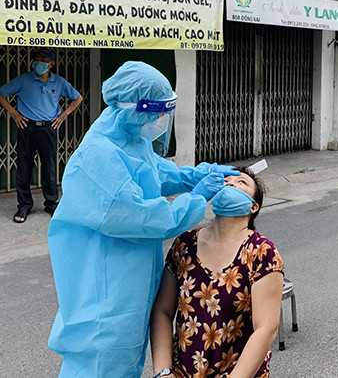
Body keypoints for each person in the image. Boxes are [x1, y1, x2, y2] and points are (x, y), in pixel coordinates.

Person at [47, 61, 240, 378]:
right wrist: (197, 198)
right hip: (105, 291)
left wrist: (197, 176)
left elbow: (156, 173)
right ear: (136, 108)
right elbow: (139, 217)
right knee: (102, 364)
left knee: (126, 361)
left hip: (129, 284)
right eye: (159, 111)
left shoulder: (132, 138)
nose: (162, 120)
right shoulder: (98, 155)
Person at [150, 168, 284, 378]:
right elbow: (162, 311)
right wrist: (163, 372)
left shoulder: (261, 252)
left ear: (253, 207)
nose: (230, 183)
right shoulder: (185, 245)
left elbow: (266, 329)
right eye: (226, 180)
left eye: (241, 182)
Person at [0, 48, 82, 223]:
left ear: (50, 64)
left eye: (43, 60)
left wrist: (63, 115)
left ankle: (51, 203)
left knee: (49, 167)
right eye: (36, 59)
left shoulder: (58, 82)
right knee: (24, 167)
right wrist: (14, 113)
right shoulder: (23, 80)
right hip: (27, 127)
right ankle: (24, 206)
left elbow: (78, 98)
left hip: (48, 128)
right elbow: (1, 94)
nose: (38, 63)